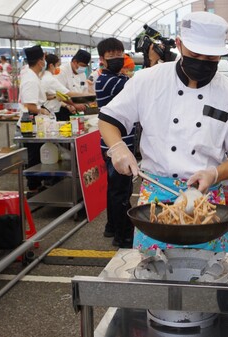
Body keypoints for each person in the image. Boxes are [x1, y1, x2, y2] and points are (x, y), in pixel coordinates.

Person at [99, 11, 228, 252]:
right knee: (153, 274)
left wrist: (214, 174)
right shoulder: (148, 80)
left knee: (210, 275)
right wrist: (117, 147)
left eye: (211, 56)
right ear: (179, 44)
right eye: (195, 54)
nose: (202, 61)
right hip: (156, 197)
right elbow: (109, 119)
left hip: (205, 200)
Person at [96, 37, 135, 248]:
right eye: (111, 56)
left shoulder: (113, 77)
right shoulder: (110, 81)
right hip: (117, 146)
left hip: (113, 144)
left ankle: (111, 226)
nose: (117, 59)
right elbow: (137, 86)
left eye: (120, 54)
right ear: (102, 59)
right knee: (121, 191)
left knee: (116, 189)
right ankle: (123, 236)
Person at [19, 45, 52, 196]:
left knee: (38, 154)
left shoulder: (33, 76)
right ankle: (33, 187)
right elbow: (30, 105)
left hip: (33, 121)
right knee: (33, 156)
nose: (45, 61)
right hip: (29, 122)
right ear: (40, 61)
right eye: (44, 59)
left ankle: (38, 184)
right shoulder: (30, 79)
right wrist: (42, 110)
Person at [41, 54, 86, 119]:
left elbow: (52, 96)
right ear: (51, 66)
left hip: (49, 110)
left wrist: (68, 105)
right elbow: (68, 93)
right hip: (49, 111)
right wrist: (85, 95)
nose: (58, 68)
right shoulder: (50, 79)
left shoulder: (44, 77)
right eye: (57, 65)